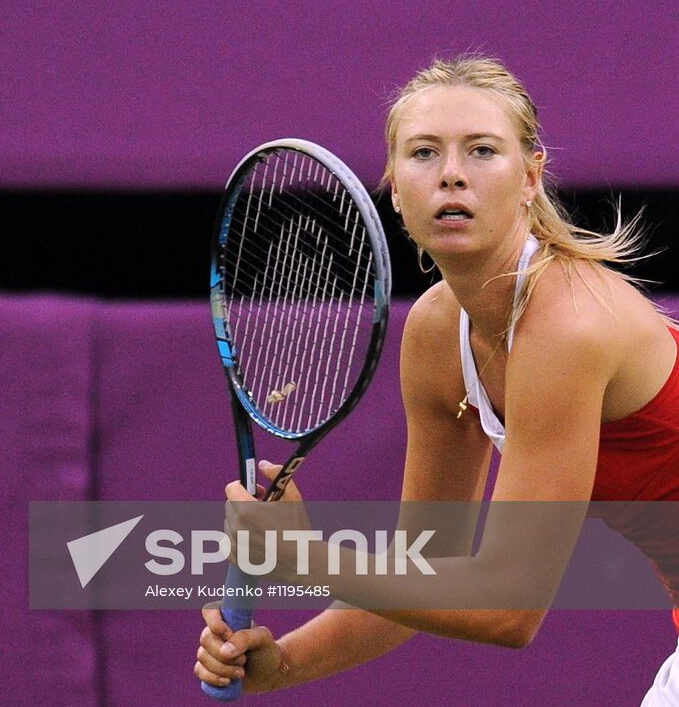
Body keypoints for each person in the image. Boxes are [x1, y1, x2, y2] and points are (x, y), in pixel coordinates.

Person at [193, 55, 679, 703]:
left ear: (530, 176)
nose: (451, 174)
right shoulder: (436, 334)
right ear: (394, 186)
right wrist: (284, 663)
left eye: (481, 151)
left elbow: (506, 608)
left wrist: (309, 563)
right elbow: (426, 574)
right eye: (423, 154)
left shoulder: (566, 325)